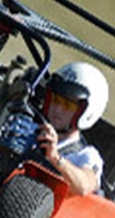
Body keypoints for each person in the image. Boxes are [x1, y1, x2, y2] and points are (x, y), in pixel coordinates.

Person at [36, 62, 109, 196]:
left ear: (85, 112)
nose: (58, 109)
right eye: (56, 99)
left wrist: (55, 157)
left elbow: (84, 186)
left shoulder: (86, 155)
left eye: (68, 105)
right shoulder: (29, 127)